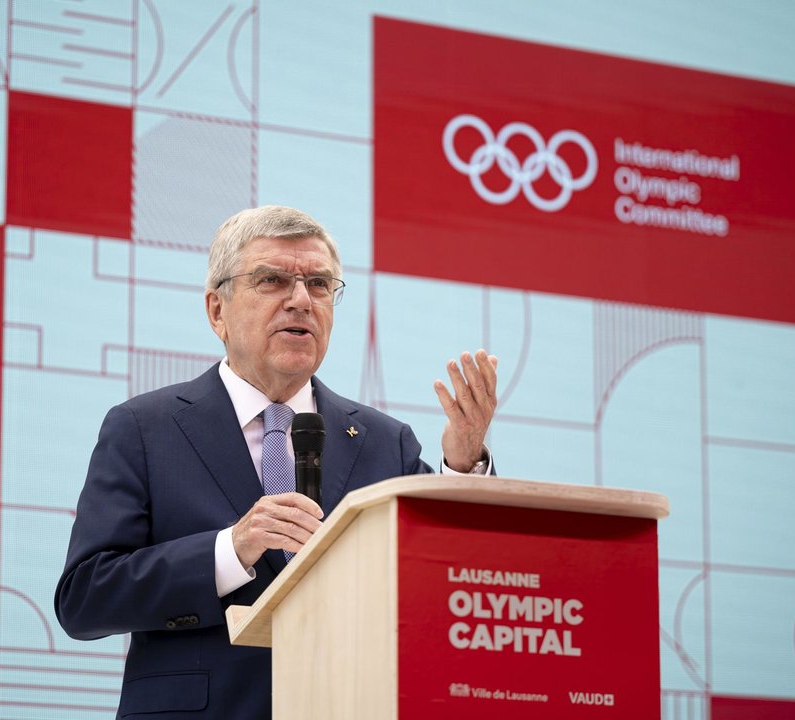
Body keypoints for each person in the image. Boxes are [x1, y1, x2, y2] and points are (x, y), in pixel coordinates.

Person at [55, 205, 498, 718]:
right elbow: (84, 600)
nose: (301, 300)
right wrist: (230, 551)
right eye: (272, 280)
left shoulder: (383, 441)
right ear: (217, 311)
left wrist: (462, 465)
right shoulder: (144, 428)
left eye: (319, 284)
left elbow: (449, 578)